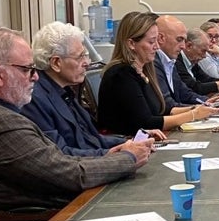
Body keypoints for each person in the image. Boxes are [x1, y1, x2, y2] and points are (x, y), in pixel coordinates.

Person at [0, 27, 148, 221]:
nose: (35, 77)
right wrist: (128, 158)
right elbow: (70, 175)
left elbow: (59, 160)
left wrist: (114, 154)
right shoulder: (0, 123)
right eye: (27, 69)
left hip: (47, 210)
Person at [21, 21, 154, 157]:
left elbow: (91, 139)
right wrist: (112, 153)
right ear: (56, 63)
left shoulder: (65, 91)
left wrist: (132, 141)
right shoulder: (34, 98)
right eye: (80, 57)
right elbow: (60, 154)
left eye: (86, 55)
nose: (87, 63)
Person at [98, 13, 219, 136]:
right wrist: (193, 115)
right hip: (124, 143)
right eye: (152, 42)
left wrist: (201, 108)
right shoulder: (121, 74)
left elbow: (163, 110)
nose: (157, 47)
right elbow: (146, 122)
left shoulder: (145, 69)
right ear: (131, 44)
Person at [177, 28, 219, 95]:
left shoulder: (192, 61)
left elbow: (206, 79)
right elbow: (195, 88)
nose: (204, 56)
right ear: (189, 46)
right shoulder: (177, 62)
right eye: (203, 51)